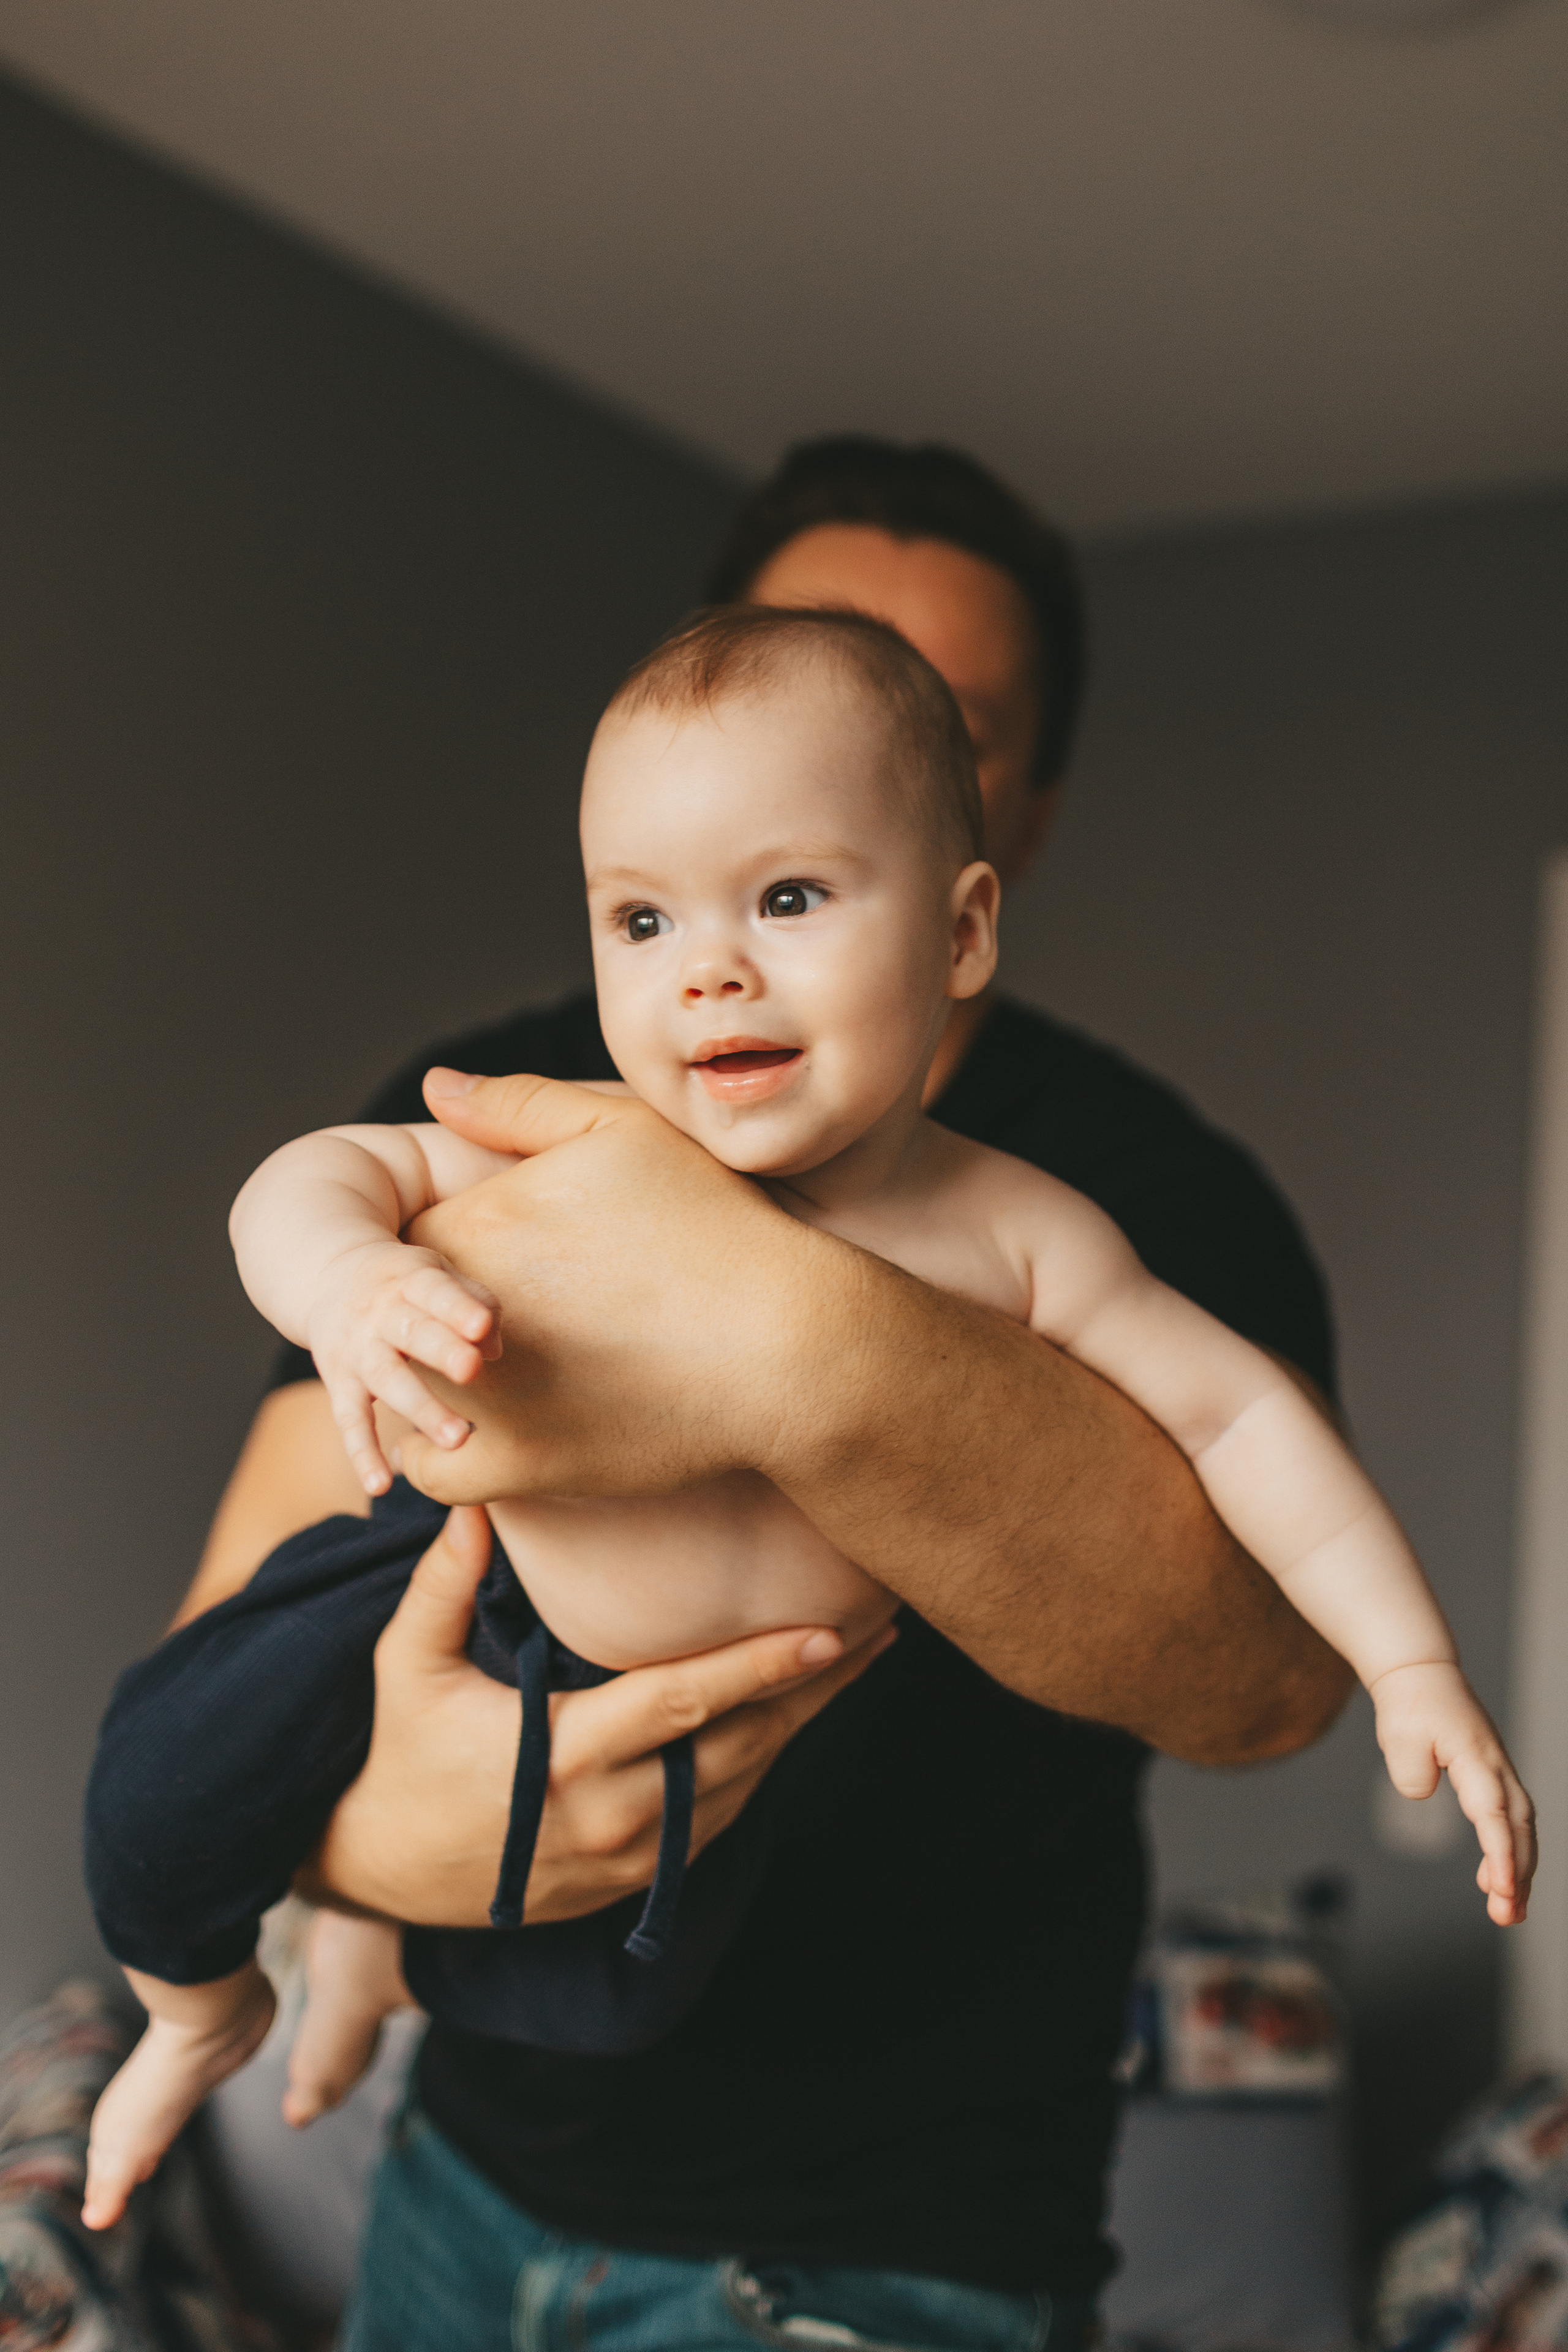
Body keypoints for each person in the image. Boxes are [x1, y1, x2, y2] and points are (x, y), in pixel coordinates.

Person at [83, 605, 1532, 2241]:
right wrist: (348, 1281)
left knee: (610, 1983)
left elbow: (1246, 1423)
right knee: (162, 1782)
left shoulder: (1023, 1231)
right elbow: (318, 1173)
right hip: (466, 1588)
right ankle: (206, 2010)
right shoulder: (588, 1137)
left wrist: (1413, 1667)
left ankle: (383, 1960)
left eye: (788, 897)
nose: (707, 966)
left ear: (967, 927)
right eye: (640, 917)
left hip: (758, 1848)